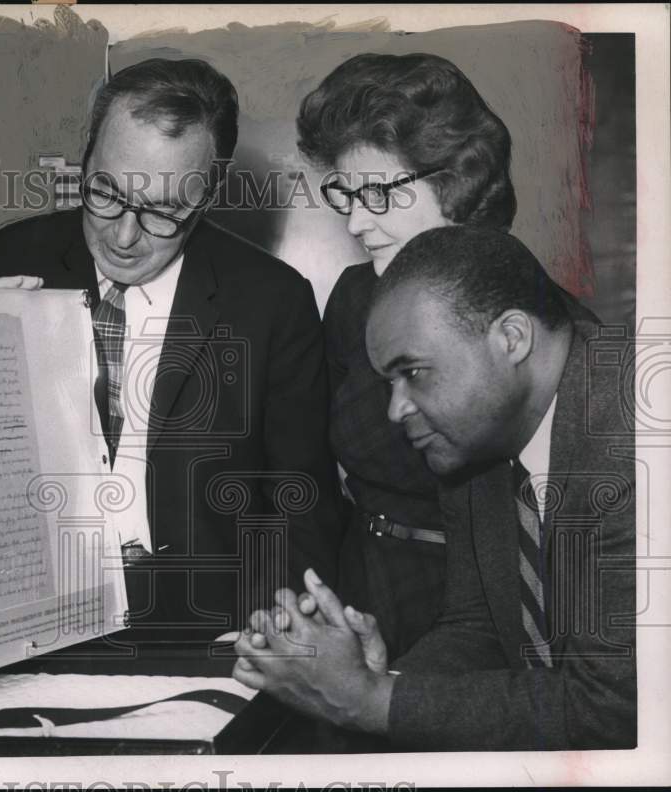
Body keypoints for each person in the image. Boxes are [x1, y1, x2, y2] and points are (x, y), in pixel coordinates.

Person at [0, 58, 341, 641]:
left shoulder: (273, 302)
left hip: (203, 627)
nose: (124, 234)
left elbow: (299, 506)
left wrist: (269, 636)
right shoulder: (3, 264)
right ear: (86, 159)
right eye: (105, 192)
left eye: (163, 211)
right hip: (27, 618)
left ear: (209, 194)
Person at [233, 225, 636, 750]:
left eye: (414, 372)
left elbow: (610, 709)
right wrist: (378, 681)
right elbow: (480, 629)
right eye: (389, 382)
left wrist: (372, 703)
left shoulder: (637, 436)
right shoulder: (476, 438)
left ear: (511, 338)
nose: (395, 409)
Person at [296, 53, 517, 659]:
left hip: (476, 610)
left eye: (380, 194)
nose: (358, 222)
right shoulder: (354, 297)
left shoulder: (526, 315)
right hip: (361, 581)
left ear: (455, 181)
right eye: (346, 195)